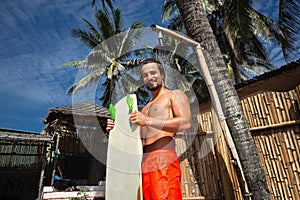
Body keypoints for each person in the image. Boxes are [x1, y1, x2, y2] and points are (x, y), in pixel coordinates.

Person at [106, 58, 191, 200]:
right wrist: (116, 129)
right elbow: (134, 136)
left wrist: (148, 120)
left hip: (163, 158)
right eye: (145, 75)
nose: (149, 77)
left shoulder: (174, 95)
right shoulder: (144, 108)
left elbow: (186, 123)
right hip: (142, 163)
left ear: (162, 75)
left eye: (153, 73)